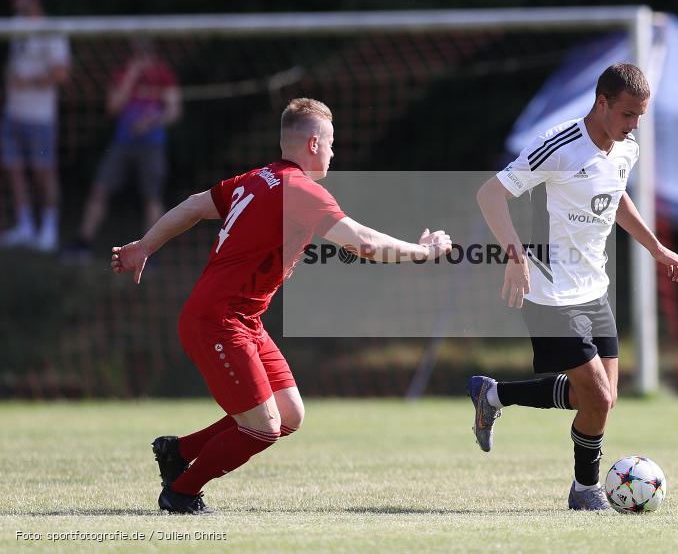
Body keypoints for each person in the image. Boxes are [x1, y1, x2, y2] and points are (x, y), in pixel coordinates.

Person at [111, 98, 452, 514]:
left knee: (289, 414)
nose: (332, 151)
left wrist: (145, 245)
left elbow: (196, 206)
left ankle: (179, 451)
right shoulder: (300, 189)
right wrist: (423, 252)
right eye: (329, 142)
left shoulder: (258, 178)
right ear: (312, 144)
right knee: (264, 426)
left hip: (242, 320)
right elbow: (363, 243)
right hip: (218, 321)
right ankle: (181, 492)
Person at [468, 63, 678, 511]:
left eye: (641, 116)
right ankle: (584, 491)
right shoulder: (558, 145)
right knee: (599, 397)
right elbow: (490, 194)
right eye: (628, 114)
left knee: (601, 401)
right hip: (551, 291)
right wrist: (514, 257)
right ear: (602, 102)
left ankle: (493, 393)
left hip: (594, 289)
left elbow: (617, 196)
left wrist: (656, 249)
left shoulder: (626, 149)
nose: (634, 126)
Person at [67, 37, 180, 259]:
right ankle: (83, 243)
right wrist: (132, 75)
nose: (142, 56)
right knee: (100, 189)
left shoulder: (164, 75)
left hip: (152, 145)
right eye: (138, 52)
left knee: (151, 196)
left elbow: (173, 111)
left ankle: (151, 252)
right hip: (123, 143)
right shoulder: (123, 73)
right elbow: (113, 106)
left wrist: (152, 120)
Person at [1, 0, 70, 252]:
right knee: (15, 170)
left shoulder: (52, 30)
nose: (17, 4)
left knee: (44, 173)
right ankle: (25, 226)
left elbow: (61, 73)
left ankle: (48, 229)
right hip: (13, 114)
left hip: (40, 117)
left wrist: (27, 82)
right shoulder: (15, 26)